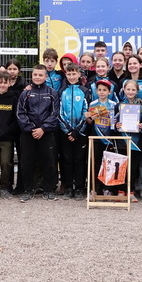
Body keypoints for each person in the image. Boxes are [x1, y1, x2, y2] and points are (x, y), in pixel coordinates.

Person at [16, 65, 59, 202]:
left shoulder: (52, 93)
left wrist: (43, 129)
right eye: (35, 75)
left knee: (49, 162)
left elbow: (55, 113)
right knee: (26, 162)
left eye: (40, 75)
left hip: (46, 133)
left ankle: (49, 190)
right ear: (32, 75)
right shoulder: (25, 93)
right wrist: (31, 129)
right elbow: (20, 113)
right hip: (28, 134)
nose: (37, 77)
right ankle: (28, 190)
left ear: (46, 76)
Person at [57, 64, 90, 200]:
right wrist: (69, 130)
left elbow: (86, 112)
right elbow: (59, 113)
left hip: (80, 133)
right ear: (66, 74)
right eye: (69, 74)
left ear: (79, 75)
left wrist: (77, 131)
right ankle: (69, 187)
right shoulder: (61, 91)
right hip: (66, 133)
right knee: (67, 159)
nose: (71, 76)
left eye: (74, 74)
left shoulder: (85, 91)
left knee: (79, 159)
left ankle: (80, 187)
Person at [86, 79, 119, 196]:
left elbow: (116, 121)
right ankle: (95, 188)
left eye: (104, 90)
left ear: (109, 92)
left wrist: (113, 120)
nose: (102, 92)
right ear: (96, 91)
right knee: (96, 163)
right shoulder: (93, 104)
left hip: (109, 138)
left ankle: (108, 188)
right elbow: (89, 122)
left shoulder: (114, 105)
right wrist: (89, 117)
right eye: (99, 90)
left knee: (108, 164)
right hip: (96, 138)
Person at [115, 79, 142, 202]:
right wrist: (116, 125)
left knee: (133, 167)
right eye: (128, 89)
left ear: (137, 91)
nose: (130, 92)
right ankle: (121, 191)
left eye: (133, 90)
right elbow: (114, 122)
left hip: (135, 141)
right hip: (122, 140)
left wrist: (141, 126)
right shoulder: (118, 105)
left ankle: (131, 191)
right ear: (124, 90)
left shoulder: (141, 105)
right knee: (122, 166)